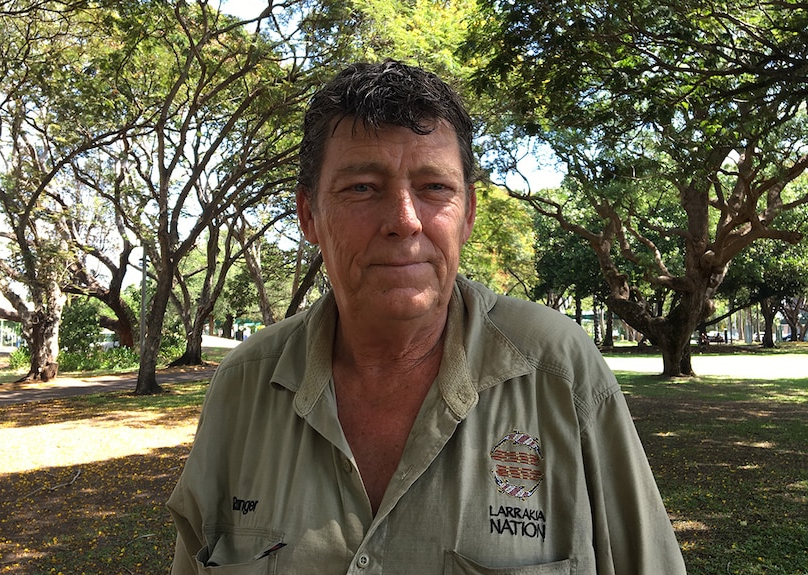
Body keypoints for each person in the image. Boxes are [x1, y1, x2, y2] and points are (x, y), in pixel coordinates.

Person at [167, 60, 686, 574]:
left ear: (468, 214)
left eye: (435, 188)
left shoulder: (560, 373)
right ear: (309, 216)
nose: (404, 220)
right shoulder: (242, 389)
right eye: (362, 188)